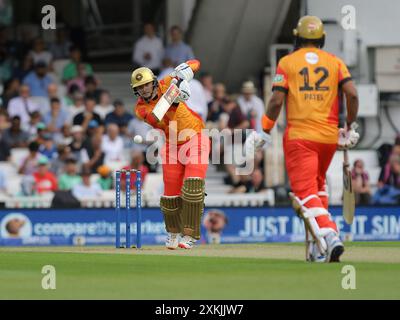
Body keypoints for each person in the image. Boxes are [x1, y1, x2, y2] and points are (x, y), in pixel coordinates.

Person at [246, 16, 360, 263]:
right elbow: (351, 94)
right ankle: (317, 248)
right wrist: (349, 126)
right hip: (328, 138)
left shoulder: (287, 62)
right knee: (317, 188)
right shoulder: (336, 62)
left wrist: (265, 130)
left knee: (304, 192)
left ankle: (330, 235)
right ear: (322, 39)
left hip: (300, 137)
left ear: (297, 37)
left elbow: (276, 100)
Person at [131, 59, 209, 249]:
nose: (144, 89)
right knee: (170, 196)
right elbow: (157, 117)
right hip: (172, 145)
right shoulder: (140, 109)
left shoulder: (167, 81)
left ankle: (189, 235)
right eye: (139, 87)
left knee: (193, 187)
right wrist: (174, 96)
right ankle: (173, 232)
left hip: (195, 137)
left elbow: (196, 63)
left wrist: (183, 72)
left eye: (146, 84)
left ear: (154, 81)